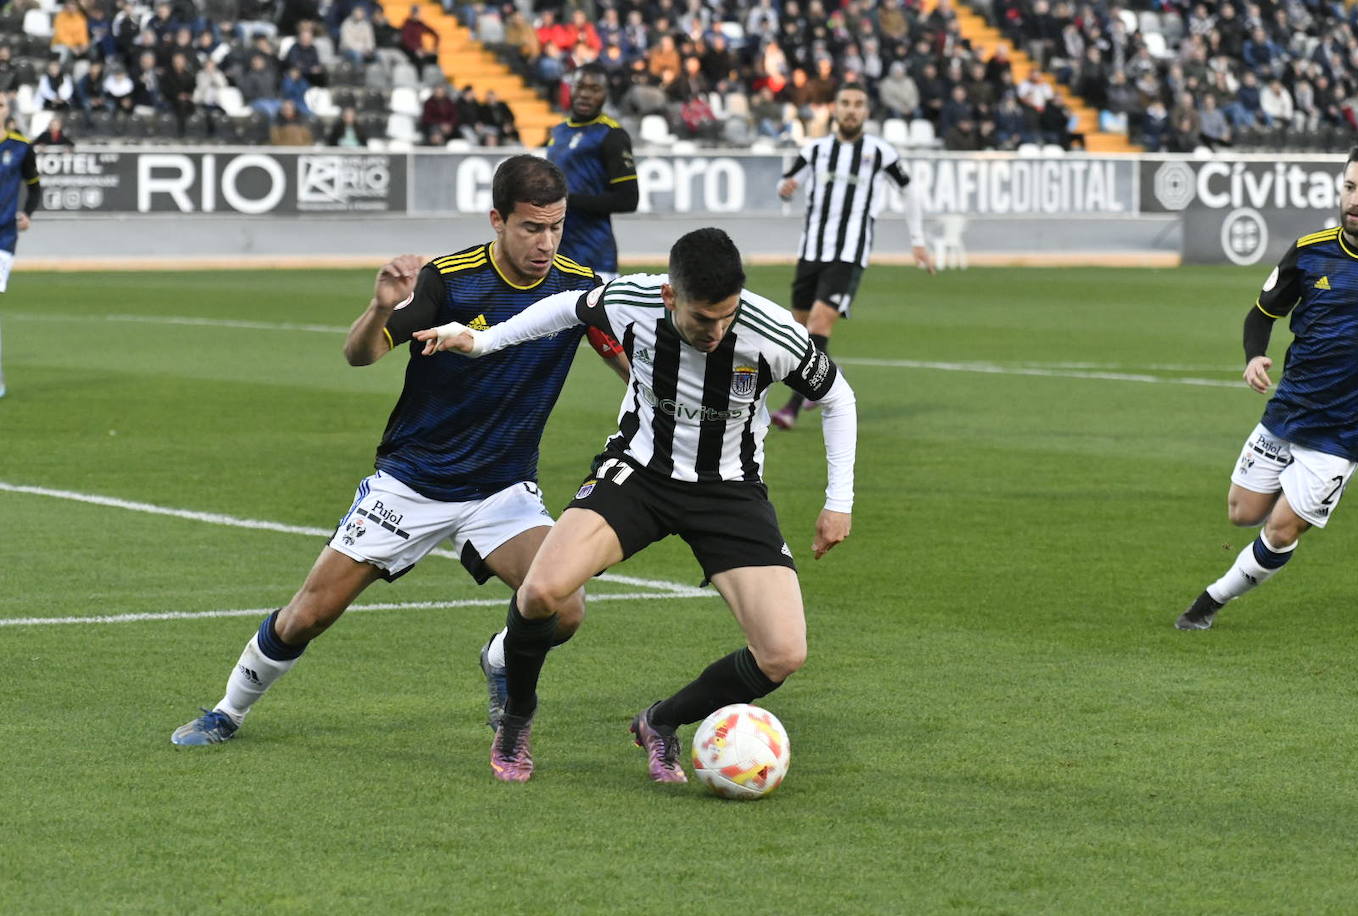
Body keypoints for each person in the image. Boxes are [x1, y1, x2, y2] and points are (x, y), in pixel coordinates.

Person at [169, 155, 628, 745]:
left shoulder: (576, 287)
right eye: (531, 227)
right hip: (413, 481)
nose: (546, 242)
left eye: (556, 226)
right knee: (309, 613)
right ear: (497, 220)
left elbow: (631, 367)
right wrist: (382, 306)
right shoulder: (449, 278)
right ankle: (226, 712)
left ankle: (500, 657)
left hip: (501, 489)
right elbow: (360, 355)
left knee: (562, 607)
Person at [414, 227, 857, 784]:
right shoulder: (632, 300)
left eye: (727, 316)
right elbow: (562, 309)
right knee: (541, 591)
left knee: (782, 654)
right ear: (671, 298)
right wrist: (481, 341)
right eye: (703, 319)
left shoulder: (773, 333)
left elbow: (837, 396)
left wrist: (837, 501)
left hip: (729, 491)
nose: (718, 331)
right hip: (640, 475)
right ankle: (517, 720)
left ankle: (660, 721)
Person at [1175, 146, 1358, 631]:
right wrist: (1254, 356)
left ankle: (1209, 603)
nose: (1355, 200)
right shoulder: (1311, 251)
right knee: (1241, 513)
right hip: (1290, 409)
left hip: (1344, 432)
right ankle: (1293, 499)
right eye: (1350, 187)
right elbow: (1262, 313)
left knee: (1281, 529)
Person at [771, 82, 935, 430]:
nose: (851, 110)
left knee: (818, 325)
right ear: (835, 108)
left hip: (849, 253)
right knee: (799, 334)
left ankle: (792, 407)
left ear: (866, 111)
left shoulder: (879, 152)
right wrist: (785, 190)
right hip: (810, 251)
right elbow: (786, 184)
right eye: (845, 103)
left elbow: (909, 192)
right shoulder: (816, 150)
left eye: (858, 104)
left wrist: (918, 240)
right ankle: (831, 371)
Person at [544, 63, 639, 279]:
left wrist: (566, 201)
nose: (585, 94)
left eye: (595, 89)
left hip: (594, 259)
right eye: (580, 86)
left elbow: (628, 199)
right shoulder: (559, 132)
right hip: (555, 258)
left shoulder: (612, 135)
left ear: (606, 94)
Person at [0, 94, 40, 399]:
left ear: (7, 111)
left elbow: (34, 186)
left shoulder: (21, 146)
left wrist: (28, 213)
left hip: (3, 237)